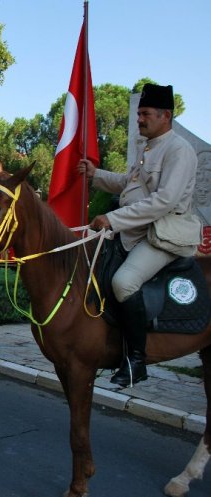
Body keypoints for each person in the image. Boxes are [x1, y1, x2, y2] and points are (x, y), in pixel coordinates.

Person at [78, 83, 200, 387]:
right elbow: (129, 183)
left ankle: (136, 360)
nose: (139, 119)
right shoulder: (149, 149)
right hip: (137, 232)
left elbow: (164, 202)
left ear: (165, 115)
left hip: (164, 236)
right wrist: (96, 174)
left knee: (123, 282)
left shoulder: (178, 151)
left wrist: (112, 218)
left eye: (145, 113)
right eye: (139, 113)